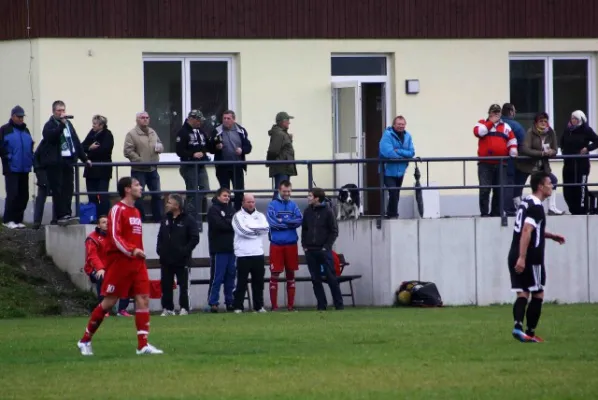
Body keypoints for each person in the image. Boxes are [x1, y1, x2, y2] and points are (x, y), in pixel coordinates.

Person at [77, 176, 163, 356]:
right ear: (127, 189)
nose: (141, 187)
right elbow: (115, 238)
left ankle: (143, 345)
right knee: (109, 302)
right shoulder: (117, 209)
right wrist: (132, 251)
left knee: (143, 298)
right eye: (137, 185)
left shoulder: (137, 211)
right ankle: (84, 340)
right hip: (120, 262)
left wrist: (136, 254)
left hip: (136, 263)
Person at [508, 171, 565, 343]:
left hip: (514, 251)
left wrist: (551, 236)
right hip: (531, 256)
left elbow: (531, 229)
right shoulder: (537, 207)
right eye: (549, 183)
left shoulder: (526, 201)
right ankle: (531, 333)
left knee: (523, 294)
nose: (552, 186)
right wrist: (523, 258)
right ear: (540, 186)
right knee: (538, 294)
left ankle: (518, 328)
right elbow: (527, 230)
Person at [40, 100, 91, 226]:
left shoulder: (69, 124)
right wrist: (61, 125)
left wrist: (84, 158)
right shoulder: (50, 125)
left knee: (68, 188)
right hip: (56, 162)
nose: (62, 113)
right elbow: (51, 137)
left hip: (68, 160)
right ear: (53, 112)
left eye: (63, 110)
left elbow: (76, 142)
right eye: (59, 110)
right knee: (58, 189)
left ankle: (67, 213)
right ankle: (60, 215)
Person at [156, 194, 199, 316]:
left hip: (182, 260)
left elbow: (195, 238)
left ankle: (184, 307)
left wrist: (185, 251)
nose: (167, 204)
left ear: (177, 205)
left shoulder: (188, 219)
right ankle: (168, 308)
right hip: (166, 259)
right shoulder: (165, 218)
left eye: (169, 202)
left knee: (183, 285)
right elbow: (160, 235)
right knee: (166, 285)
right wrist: (160, 250)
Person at [301, 187, 343, 311]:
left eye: (310, 196)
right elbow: (304, 229)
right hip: (310, 250)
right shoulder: (307, 212)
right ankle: (321, 305)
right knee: (315, 279)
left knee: (331, 278)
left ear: (317, 198)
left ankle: (338, 304)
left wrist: (326, 247)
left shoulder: (328, 211)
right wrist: (304, 245)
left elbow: (334, 231)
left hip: (323, 250)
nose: (308, 198)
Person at [473, 104, 518, 217]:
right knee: (484, 189)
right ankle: (484, 213)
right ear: (489, 113)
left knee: (499, 190)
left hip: (501, 163)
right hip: (485, 164)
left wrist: (513, 150)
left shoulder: (506, 126)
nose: (496, 114)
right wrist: (491, 122)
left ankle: (496, 213)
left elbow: (512, 140)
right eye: (494, 112)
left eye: (498, 112)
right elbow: (479, 132)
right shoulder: (482, 122)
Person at [515, 112, 563, 215]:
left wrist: (551, 152)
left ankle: (552, 207)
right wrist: (541, 153)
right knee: (519, 185)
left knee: (552, 180)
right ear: (536, 123)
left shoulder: (551, 132)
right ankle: (519, 208)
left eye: (545, 121)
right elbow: (525, 149)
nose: (543, 123)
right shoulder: (530, 132)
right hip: (527, 164)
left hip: (542, 165)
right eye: (541, 121)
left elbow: (555, 149)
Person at [83, 215, 132, 317]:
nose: (106, 224)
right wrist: (100, 268)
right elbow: (92, 256)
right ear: (98, 225)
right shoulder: (92, 238)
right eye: (103, 222)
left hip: (112, 268)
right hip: (94, 268)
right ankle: (104, 310)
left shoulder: (114, 237)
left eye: (108, 222)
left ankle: (122, 310)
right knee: (101, 277)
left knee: (128, 279)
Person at [266, 180, 303, 311]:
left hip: (291, 244)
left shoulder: (294, 205)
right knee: (275, 274)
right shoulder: (272, 205)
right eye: (284, 191)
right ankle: (274, 307)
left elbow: (299, 220)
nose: (287, 193)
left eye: (289, 191)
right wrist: (289, 223)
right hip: (276, 245)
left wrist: (283, 220)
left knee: (290, 274)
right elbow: (272, 223)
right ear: (279, 191)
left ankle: (290, 306)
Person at [232, 194, 270, 313]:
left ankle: (258, 306)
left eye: (252, 202)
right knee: (241, 282)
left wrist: (251, 228)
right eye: (248, 202)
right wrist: (257, 230)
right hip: (243, 254)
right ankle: (238, 306)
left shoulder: (260, 216)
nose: (251, 204)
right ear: (243, 202)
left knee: (258, 282)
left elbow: (266, 229)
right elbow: (243, 231)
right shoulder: (237, 216)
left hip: (258, 253)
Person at [124, 111, 164, 222]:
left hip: (152, 169)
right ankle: (140, 219)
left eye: (147, 117)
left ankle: (158, 219)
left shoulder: (152, 132)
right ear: (137, 120)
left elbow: (159, 143)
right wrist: (140, 160)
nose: (145, 119)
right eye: (142, 117)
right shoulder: (132, 134)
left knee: (157, 194)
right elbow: (128, 151)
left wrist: (160, 148)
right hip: (139, 170)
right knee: (138, 196)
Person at [210, 110, 252, 211]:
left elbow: (248, 147)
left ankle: (238, 212)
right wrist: (216, 147)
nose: (226, 120)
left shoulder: (240, 130)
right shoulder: (217, 130)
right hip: (222, 167)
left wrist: (242, 150)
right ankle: (226, 212)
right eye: (224, 118)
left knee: (239, 191)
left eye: (228, 118)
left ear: (233, 119)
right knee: (224, 192)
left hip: (237, 166)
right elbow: (210, 148)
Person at [0, 105, 34, 229]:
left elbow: (30, 146)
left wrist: (31, 159)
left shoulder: (26, 131)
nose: (21, 119)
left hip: (24, 168)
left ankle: (18, 220)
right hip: (11, 168)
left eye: (22, 117)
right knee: (12, 194)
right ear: (13, 116)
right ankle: (8, 220)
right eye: (19, 116)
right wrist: (8, 156)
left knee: (23, 195)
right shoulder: (4, 129)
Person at [560, 110, 598, 215]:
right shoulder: (568, 130)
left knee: (580, 188)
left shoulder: (586, 130)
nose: (573, 120)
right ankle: (573, 209)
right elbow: (562, 142)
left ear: (581, 120)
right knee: (567, 189)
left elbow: (596, 140)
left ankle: (582, 210)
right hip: (568, 164)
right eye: (572, 118)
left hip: (582, 164)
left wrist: (587, 148)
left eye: (576, 119)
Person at [176, 110, 211, 221]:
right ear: (192, 119)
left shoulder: (201, 131)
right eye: (198, 120)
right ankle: (191, 217)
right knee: (192, 192)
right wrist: (192, 154)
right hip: (189, 166)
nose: (200, 123)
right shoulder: (183, 132)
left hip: (200, 165)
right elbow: (179, 151)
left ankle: (199, 215)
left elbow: (207, 145)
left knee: (204, 189)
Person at [206, 187, 236, 313]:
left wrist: (227, 222)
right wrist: (229, 223)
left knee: (230, 276)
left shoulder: (232, 209)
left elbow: (236, 224)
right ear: (218, 196)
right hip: (219, 249)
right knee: (217, 277)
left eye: (228, 196)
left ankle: (230, 302)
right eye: (224, 195)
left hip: (232, 248)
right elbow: (219, 225)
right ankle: (213, 303)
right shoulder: (213, 210)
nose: (227, 198)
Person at [379, 115, 415, 219]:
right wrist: (403, 156)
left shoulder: (408, 136)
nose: (401, 126)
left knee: (396, 193)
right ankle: (392, 215)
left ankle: (391, 213)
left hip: (401, 170)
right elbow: (388, 152)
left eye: (403, 124)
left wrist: (398, 151)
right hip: (387, 171)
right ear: (394, 125)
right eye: (399, 124)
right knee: (393, 191)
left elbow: (412, 152)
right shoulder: (387, 135)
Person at [81, 115, 114, 219]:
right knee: (92, 195)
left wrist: (89, 152)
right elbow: (82, 147)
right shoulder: (92, 133)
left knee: (103, 195)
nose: (93, 125)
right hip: (91, 170)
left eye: (95, 124)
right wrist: (90, 148)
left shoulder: (107, 135)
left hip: (103, 170)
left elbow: (104, 150)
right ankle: (94, 217)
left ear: (101, 125)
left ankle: (103, 217)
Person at [500, 103, 526, 215]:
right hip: (510, 161)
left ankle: (497, 210)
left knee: (497, 185)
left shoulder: (495, 124)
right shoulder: (515, 126)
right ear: (511, 112)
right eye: (514, 111)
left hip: (493, 160)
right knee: (510, 183)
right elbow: (523, 143)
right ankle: (509, 209)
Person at [266, 112, 297, 199]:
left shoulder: (282, 134)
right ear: (282, 122)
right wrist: (269, 162)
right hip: (282, 167)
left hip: (284, 166)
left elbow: (283, 149)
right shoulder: (279, 134)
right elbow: (273, 151)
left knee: (282, 191)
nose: (289, 122)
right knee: (280, 191)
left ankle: (279, 210)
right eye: (287, 120)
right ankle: (275, 211)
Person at [32, 140, 57, 229]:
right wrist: (38, 172)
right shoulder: (44, 143)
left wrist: (38, 171)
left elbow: (35, 158)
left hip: (50, 173)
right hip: (45, 173)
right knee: (41, 198)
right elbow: (35, 158)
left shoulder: (44, 142)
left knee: (52, 198)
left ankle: (54, 220)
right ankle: (37, 222)